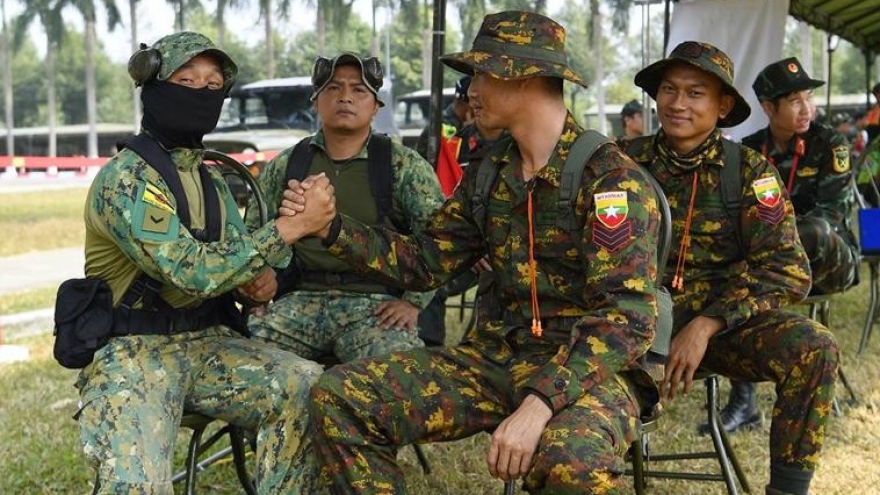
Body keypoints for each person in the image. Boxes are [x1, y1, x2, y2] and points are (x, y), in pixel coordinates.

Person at [302, 10, 663, 493]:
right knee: (340, 396)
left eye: (481, 74)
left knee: (569, 463)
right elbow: (426, 261)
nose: (470, 89)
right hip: (498, 358)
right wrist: (333, 229)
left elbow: (629, 318)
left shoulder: (610, 179)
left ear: (527, 78)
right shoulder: (490, 174)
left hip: (587, 372)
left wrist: (539, 404)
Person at [75, 32, 335, 494]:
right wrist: (289, 229)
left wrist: (260, 281)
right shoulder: (127, 179)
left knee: (307, 388)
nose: (202, 93)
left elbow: (237, 260)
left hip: (207, 341)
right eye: (187, 80)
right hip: (135, 352)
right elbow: (191, 269)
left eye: (213, 86)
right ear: (153, 87)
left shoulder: (207, 179)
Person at [620, 41, 839, 495]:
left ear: (723, 106)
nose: (678, 104)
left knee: (814, 347)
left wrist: (708, 322)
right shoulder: (621, 162)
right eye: (668, 89)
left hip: (718, 332)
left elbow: (789, 268)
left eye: (695, 93)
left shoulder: (748, 171)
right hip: (629, 329)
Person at [245, 52, 445, 363]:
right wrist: (256, 287)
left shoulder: (402, 165)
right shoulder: (287, 164)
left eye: (359, 90)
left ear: (377, 106)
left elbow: (440, 239)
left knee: (397, 378)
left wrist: (414, 303)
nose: (345, 98)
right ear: (316, 101)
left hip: (375, 304)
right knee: (250, 364)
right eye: (334, 88)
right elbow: (253, 234)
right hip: (300, 298)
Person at [721, 58, 860, 435]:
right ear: (769, 108)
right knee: (727, 258)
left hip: (828, 259)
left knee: (813, 229)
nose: (807, 108)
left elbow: (831, 215)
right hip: (769, 269)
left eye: (809, 97)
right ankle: (744, 401)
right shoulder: (749, 152)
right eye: (795, 100)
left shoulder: (830, 142)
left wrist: (770, 242)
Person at [415, 75, 473, 162]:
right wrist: (470, 130)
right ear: (470, 104)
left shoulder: (457, 121)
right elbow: (451, 160)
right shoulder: (443, 125)